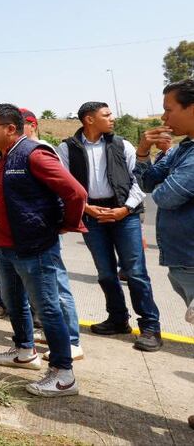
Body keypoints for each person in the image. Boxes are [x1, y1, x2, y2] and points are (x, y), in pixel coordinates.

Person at [0, 104, 86, 398]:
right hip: (6, 246)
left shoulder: (34, 153)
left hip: (34, 247)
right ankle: (24, 351)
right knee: (15, 303)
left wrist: (65, 223)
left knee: (48, 309)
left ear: (10, 129)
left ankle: (63, 374)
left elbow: (75, 193)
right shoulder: (2, 156)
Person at [56, 101, 161, 352]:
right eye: (106, 114)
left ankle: (150, 327)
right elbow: (65, 183)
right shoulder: (67, 148)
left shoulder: (121, 144)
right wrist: (86, 208)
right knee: (105, 273)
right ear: (89, 119)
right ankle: (117, 319)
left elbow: (139, 179)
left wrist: (125, 209)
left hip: (124, 214)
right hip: (92, 215)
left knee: (135, 272)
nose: (112, 118)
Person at [133, 78, 194, 429]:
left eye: (170, 108)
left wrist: (161, 176)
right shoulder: (184, 149)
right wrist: (143, 153)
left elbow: (165, 196)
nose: (164, 116)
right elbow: (148, 180)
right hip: (182, 258)